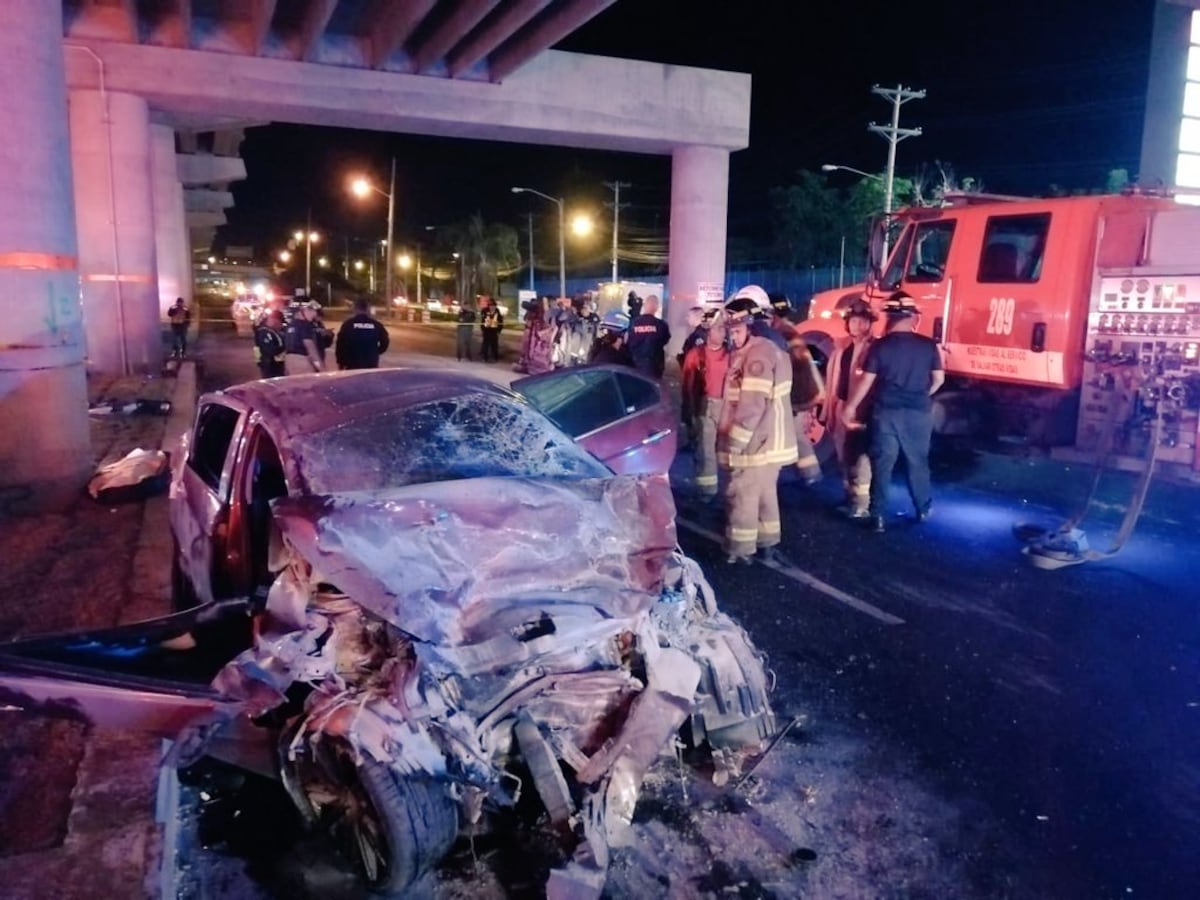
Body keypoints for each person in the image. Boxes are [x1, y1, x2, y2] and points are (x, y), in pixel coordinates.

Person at [841, 291, 945, 533]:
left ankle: (878, 517)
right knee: (917, 462)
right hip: (918, 413)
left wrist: (850, 407)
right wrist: (922, 395)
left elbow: (866, 381)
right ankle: (923, 509)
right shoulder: (928, 346)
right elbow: (939, 379)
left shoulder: (879, 346)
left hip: (885, 413)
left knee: (883, 465)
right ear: (913, 318)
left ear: (889, 317)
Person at [717, 300, 798, 565]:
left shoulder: (757, 355)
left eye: (737, 330)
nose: (732, 336)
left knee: (741, 494)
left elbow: (752, 406)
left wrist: (735, 444)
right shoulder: (766, 349)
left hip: (754, 443)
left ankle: (740, 550)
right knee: (764, 494)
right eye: (730, 331)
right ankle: (767, 544)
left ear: (751, 327)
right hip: (768, 443)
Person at [820, 298, 878, 519]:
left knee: (860, 458)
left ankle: (861, 504)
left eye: (862, 321)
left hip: (860, 412)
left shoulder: (874, 350)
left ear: (869, 323)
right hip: (841, 407)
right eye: (853, 321)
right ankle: (849, 497)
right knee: (844, 456)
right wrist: (828, 411)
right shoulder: (841, 349)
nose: (857, 326)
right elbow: (833, 383)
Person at [767, 292, 825, 485]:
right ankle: (810, 473)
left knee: (796, 434)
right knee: (797, 434)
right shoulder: (789, 330)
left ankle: (810, 474)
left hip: (797, 393)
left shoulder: (781, 334)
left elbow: (791, 368)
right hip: (804, 392)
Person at [680, 311, 729, 501]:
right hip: (705, 407)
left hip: (727, 407)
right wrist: (688, 415)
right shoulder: (695, 355)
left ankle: (729, 489)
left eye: (724, 330)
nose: (723, 333)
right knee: (706, 450)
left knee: (727, 450)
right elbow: (687, 385)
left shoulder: (731, 355)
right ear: (709, 331)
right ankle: (707, 492)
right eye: (719, 329)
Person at [335, 296, 390, 370]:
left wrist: (341, 363)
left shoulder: (348, 324)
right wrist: (376, 352)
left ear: (355, 309)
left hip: (352, 364)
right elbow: (385, 342)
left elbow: (340, 345)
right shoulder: (376, 325)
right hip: (371, 363)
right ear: (368, 309)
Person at [627, 294, 671, 379]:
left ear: (644, 305)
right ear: (657, 307)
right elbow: (665, 340)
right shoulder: (661, 325)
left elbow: (628, 341)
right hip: (654, 367)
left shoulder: (633, 323)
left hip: (634, 365)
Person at [284, 302, 324, 373]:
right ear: (304, 310)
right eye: (312, 313)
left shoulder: (290, 325)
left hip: (288, 361)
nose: (312, 319)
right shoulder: (305, 325)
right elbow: (310, 348)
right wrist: (321, 367)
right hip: (302, 361)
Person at [253, 309, 286, 378]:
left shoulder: (272, 331)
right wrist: (284, 348)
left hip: (275, 364)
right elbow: (269, 350)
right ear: (274, 320)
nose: (280, 325)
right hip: (269, 364)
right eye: (280, 322)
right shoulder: (264, 332)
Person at [479, 296, 504, 362]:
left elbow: (500, 321)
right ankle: (485, 357)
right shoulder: (485, 311)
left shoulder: (497, 312)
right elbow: (482, 321)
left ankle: (495, 357)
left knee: (494, 345)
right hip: (487, 330)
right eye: (490, 305)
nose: (491, 307)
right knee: (485, 345)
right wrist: (483, 329)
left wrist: (499, 330)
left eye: (493, 305)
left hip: (494, 331)